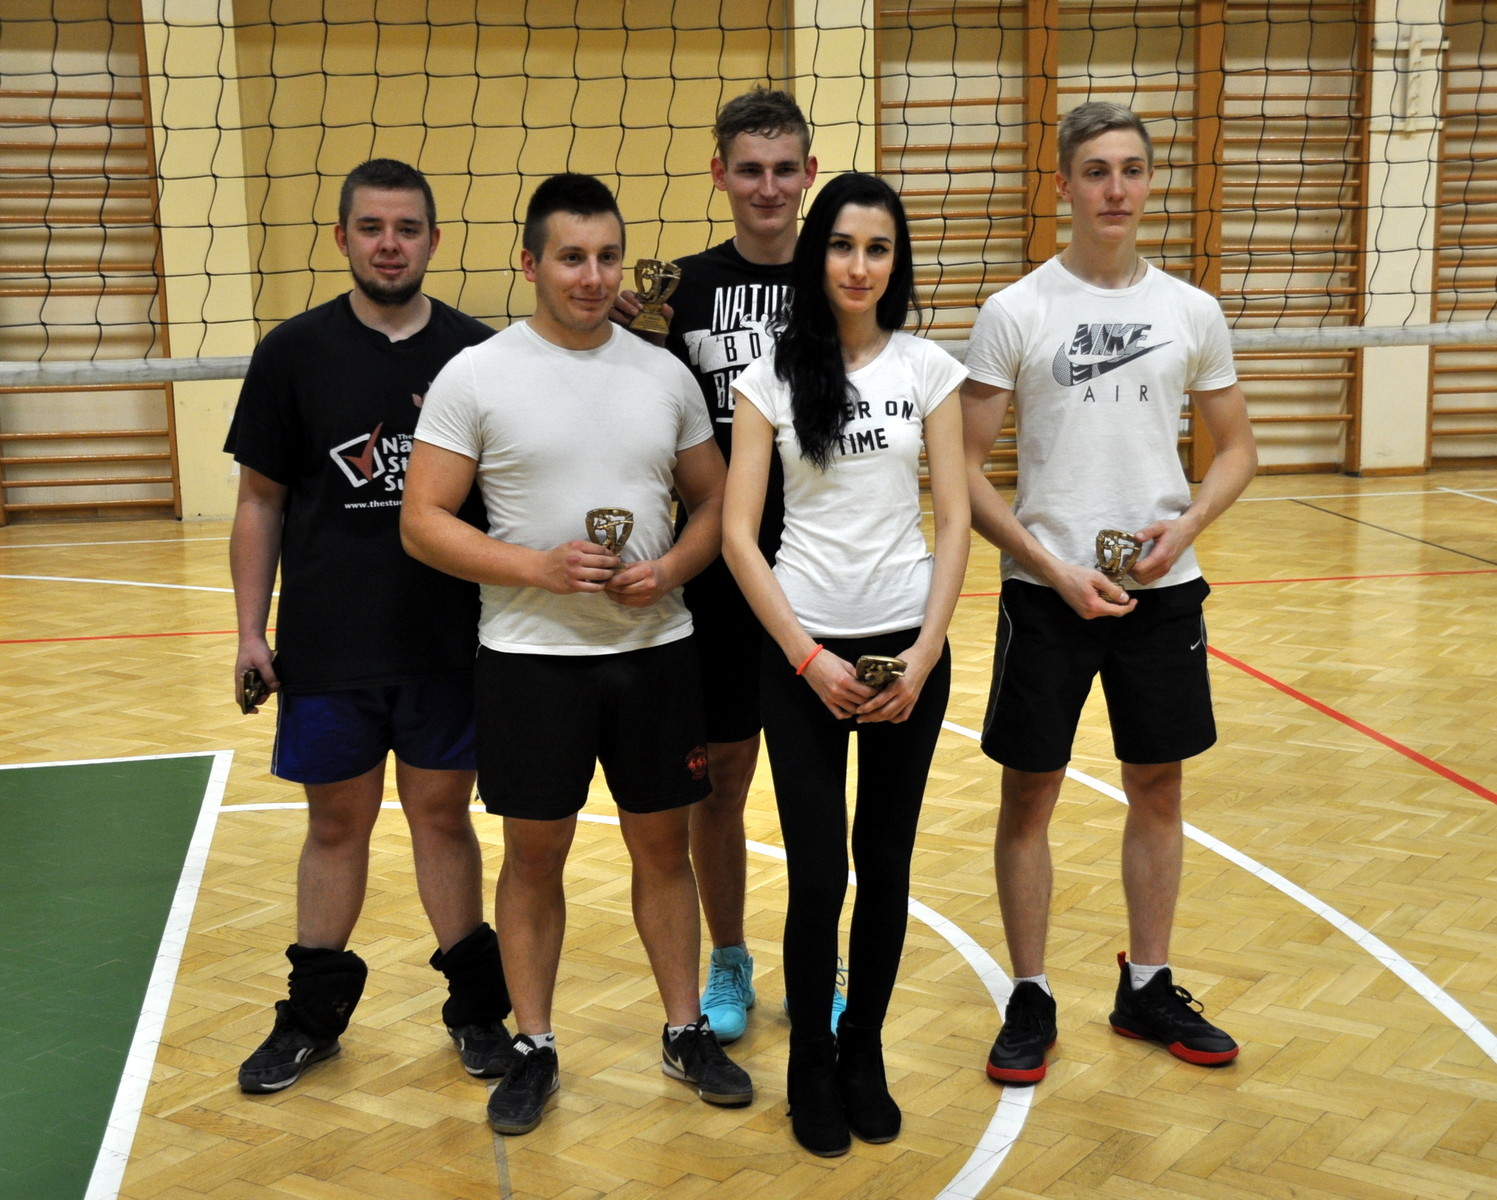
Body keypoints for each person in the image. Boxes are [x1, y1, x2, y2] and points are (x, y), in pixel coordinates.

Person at [401, 172, 753, 1137]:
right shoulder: (478, 374)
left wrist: (672, 567)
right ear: (530, 264)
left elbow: (714, 501)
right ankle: (535, 1046)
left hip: (655, 650)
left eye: (605, 257)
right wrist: (537, 568)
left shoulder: (663, 373)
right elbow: (422, 520)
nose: (592, 276)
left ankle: (684, 1031)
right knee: (533, 855)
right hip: (528, 658)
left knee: (663, 848)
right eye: (570, 257)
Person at [961, 102, 1258, 1087]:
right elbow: (961, 467)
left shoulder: (1191, 311)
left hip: (1161, 590)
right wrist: (1049, 566)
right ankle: (1030, 993)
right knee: (1029, 792)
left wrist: (1187, 526)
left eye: (1131, 169)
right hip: (1046, 593)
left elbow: (1237, 449)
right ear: (1063, 186)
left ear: (1149, 181)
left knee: (1157, 785)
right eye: (1095, 171)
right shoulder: (1016, 311)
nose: (1116, 189)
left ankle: (1148, 984)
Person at [226, 158, 512, 1095]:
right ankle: (311, 1020)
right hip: (329, 645)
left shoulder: (477, 356)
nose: (390, 245)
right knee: (335, 827)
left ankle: (478, 1012)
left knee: (442, 820)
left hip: (446, 643)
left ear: (434, 239)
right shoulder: (291, 353)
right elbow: (260, 501)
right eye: (372, 228)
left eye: (407, 228)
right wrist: (250, 631)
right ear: (342, 237)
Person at [722, 172, 969, 1155]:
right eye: (841, 245)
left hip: (906, 649)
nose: (859, 265)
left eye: (877, 248)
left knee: (886, 864)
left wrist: (923, 655)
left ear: (894, 262)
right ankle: (809, 1063)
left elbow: (954, 523)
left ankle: (862, 1049)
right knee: (819, 873)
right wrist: (807, 658)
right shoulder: (768, 377)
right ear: (815, 254)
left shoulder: (927, 368)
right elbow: (738, 536)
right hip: (804, 656)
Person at [612, 88, 821, 1043]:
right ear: (719, 175)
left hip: (820, 568)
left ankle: (820, 958)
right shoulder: (676, 292)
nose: (766, 188)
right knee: (722, 781)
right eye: (748, 169)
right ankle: (729, 957)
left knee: (817, 784)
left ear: (807, 174)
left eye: (782, 170)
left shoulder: (840, 274)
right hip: (716, 577)